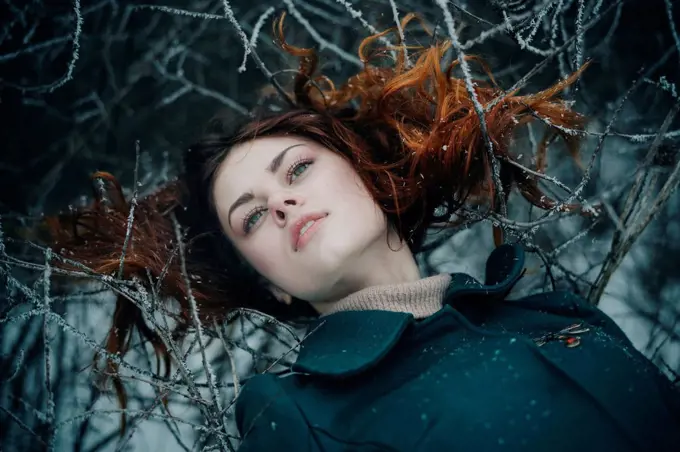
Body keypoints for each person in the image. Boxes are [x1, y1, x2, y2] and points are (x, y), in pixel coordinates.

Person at [41, 12, 680, 452]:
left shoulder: (559, 316)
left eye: (297, 168)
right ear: (270, 285)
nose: (283, 199)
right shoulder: (300, 417)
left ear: (374, 179)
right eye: (254, 215)